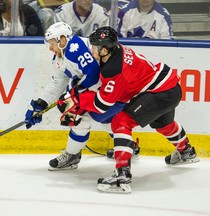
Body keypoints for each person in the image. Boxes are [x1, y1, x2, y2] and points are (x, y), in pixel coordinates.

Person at [57, 26, 199, 193]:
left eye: (95, 47)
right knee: (162, 124)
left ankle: (122, 175)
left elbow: (102, 104)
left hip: (159, 92)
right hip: (171, 88)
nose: (91, 50)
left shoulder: (114, 68)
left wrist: (76, 100)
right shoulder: (116, 51)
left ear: (104, 50)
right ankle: (186, 150)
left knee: (120, 121)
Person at [24, 22, 136, 171]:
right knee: (100, 119)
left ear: (62, 40)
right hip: (103, 90)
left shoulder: (75, 47)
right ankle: (129, 146)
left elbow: (94, 75)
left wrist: (74, 94)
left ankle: (73, 155)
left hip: (113, 89)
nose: (50, 48)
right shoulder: (60, 58)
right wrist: (41, 103)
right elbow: (58, 81)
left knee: (82, 118)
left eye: (52, 43)